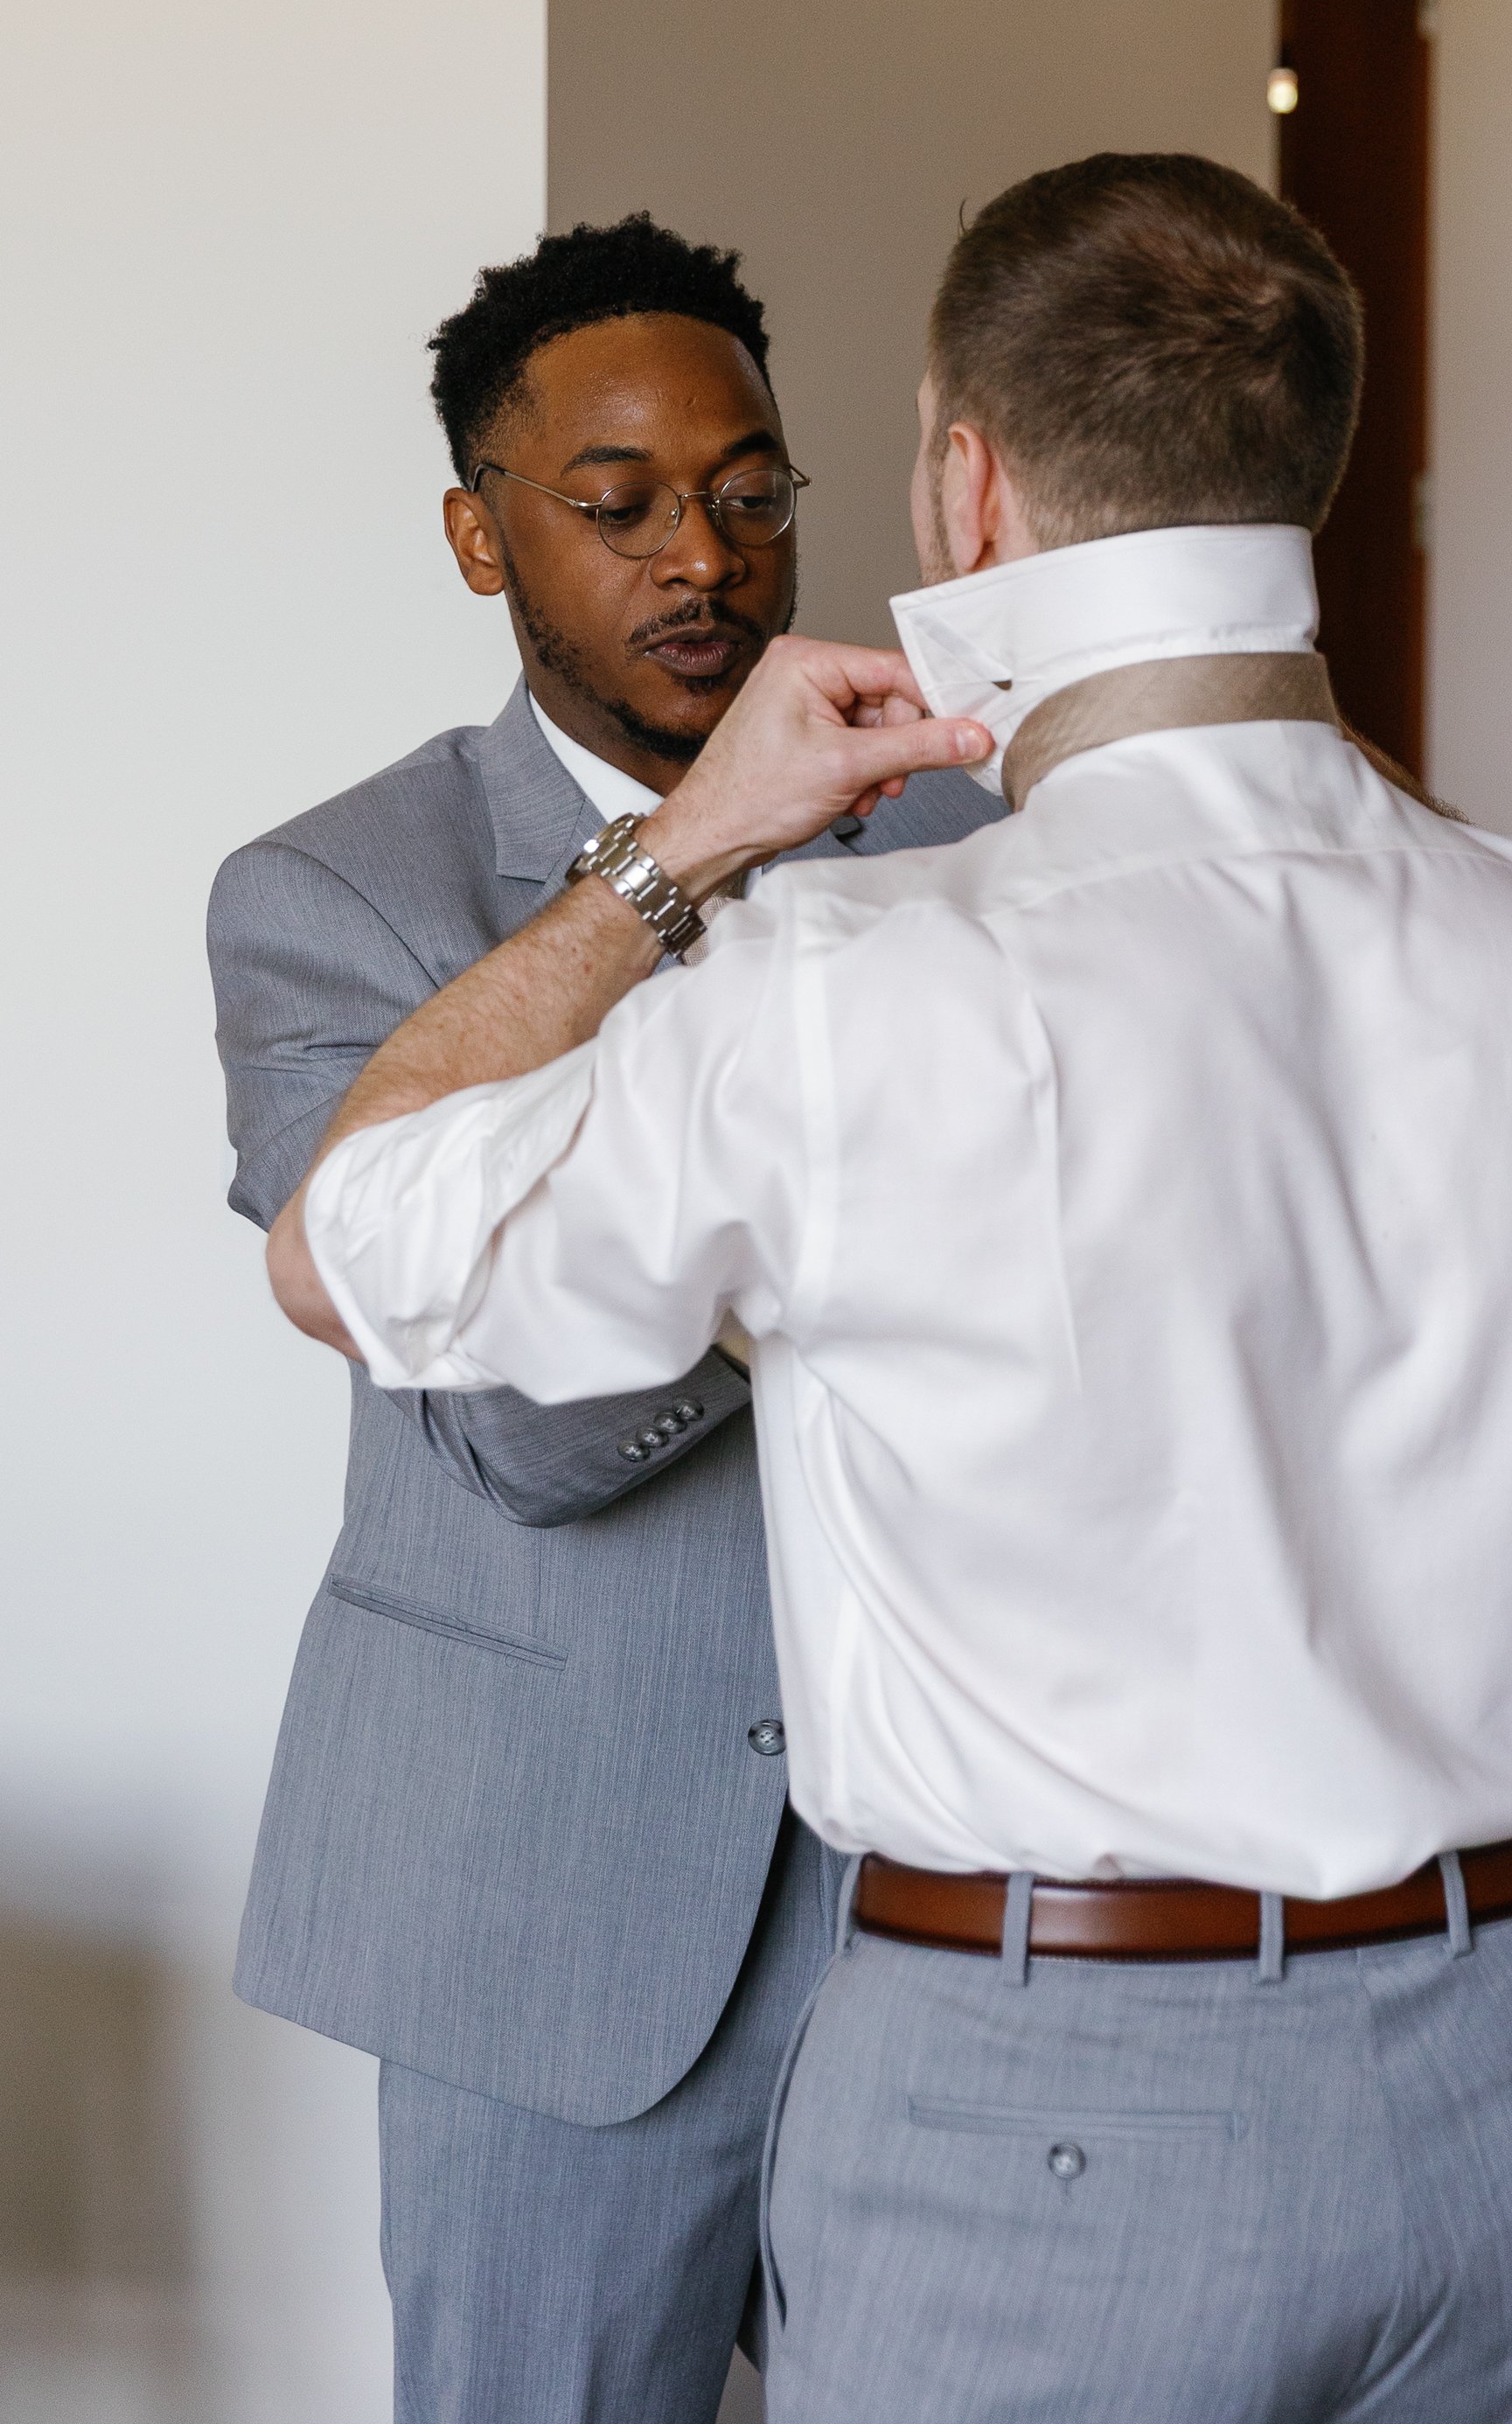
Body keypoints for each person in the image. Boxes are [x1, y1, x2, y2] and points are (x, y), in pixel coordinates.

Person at [261, 155, 1512, 2423]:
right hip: (1508, 2070)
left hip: (1040, 2086)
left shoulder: (859, 986)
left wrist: (707, 957)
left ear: (958, 489)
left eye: (758, 487)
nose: (705, 551)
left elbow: (351, 1230)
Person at [205, 212, 1002, 2424]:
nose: (707, 560)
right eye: (620, 505)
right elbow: (521, 1426)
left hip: (934, 1911)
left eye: (752, 493)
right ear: (482, 538)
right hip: (538, 1904)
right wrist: (692, 869)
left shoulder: (953, 837)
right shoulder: (329, 898)